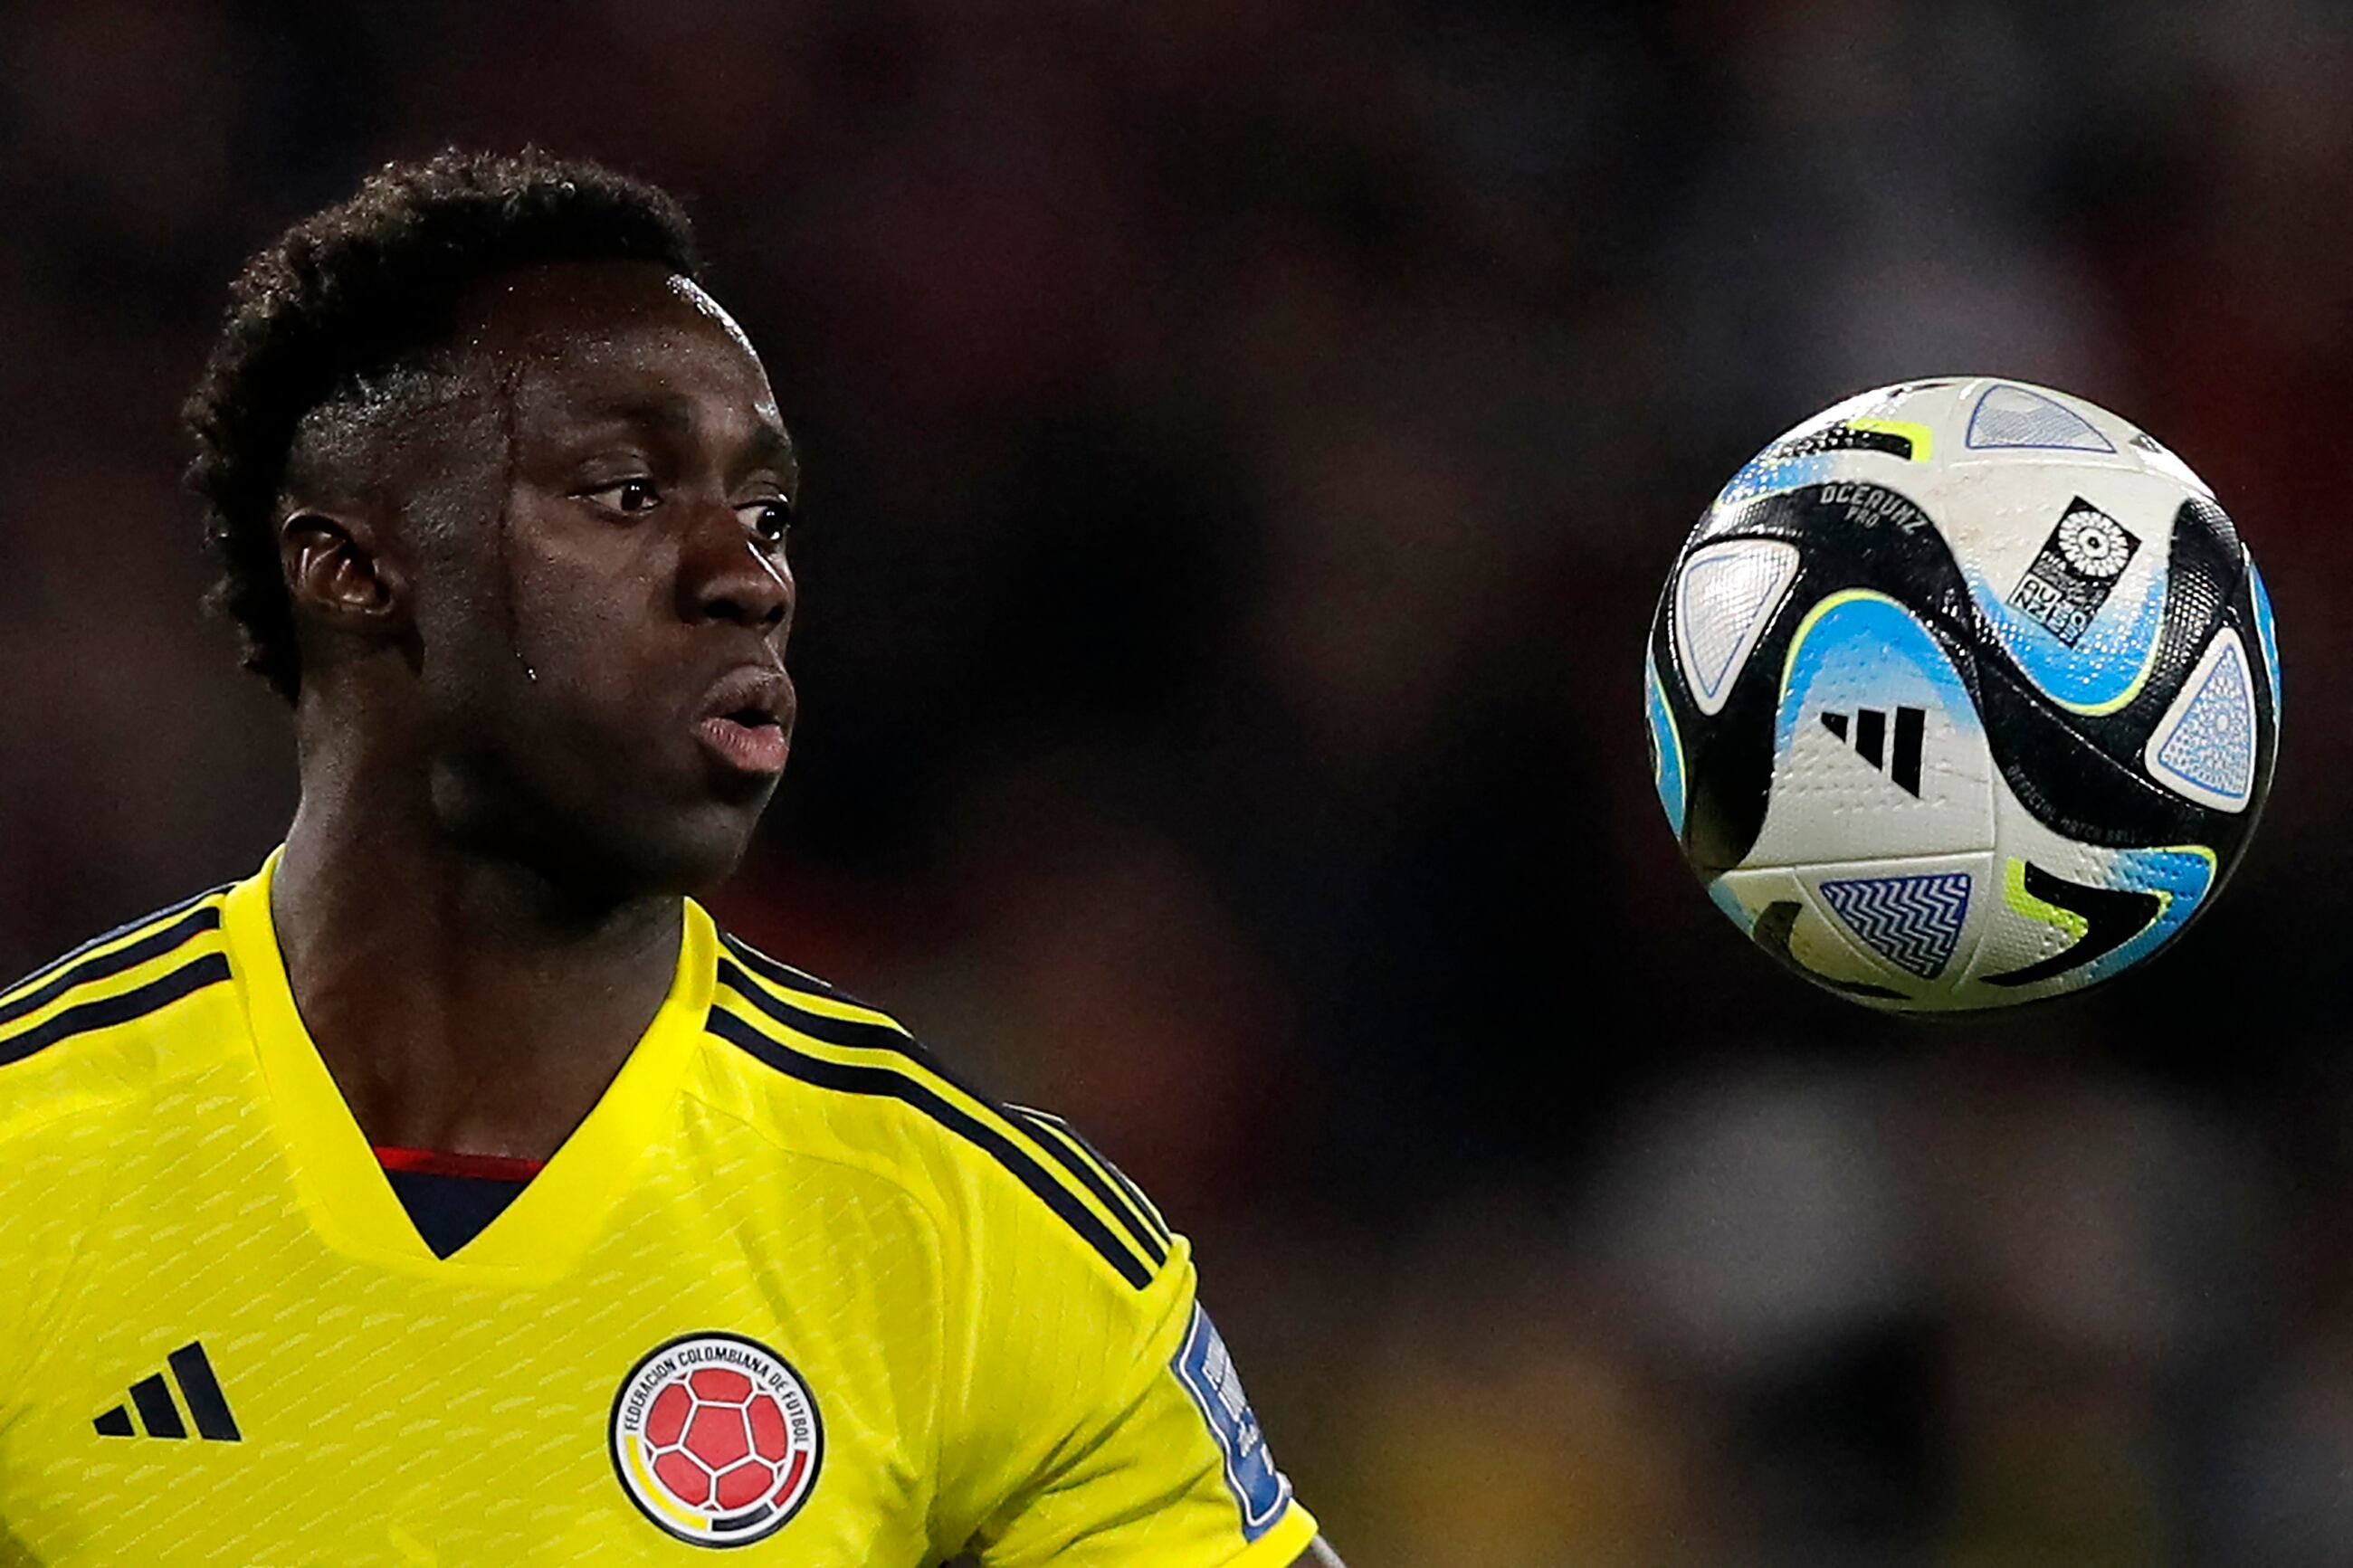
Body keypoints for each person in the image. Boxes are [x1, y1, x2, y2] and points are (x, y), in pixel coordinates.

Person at [0, 149, 1339, 1568]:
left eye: (767, 516)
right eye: (628, 490)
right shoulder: (35, 1168)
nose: (748, 573)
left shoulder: (974, 1238)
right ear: (351, 567)